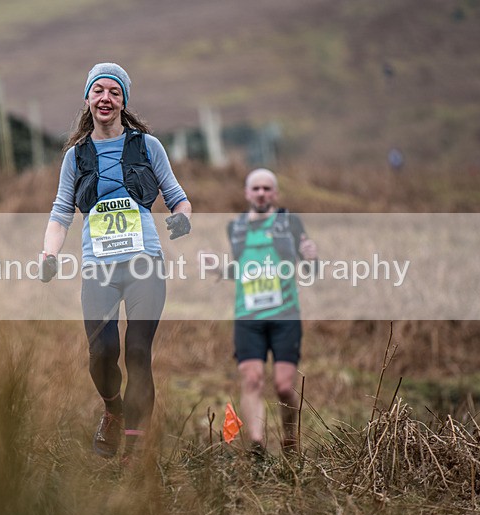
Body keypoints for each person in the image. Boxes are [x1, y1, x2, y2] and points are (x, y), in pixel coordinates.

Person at [40, 62, 192, 461]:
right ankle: (112, 407)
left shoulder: (147, 146)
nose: (105, 98)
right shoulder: (76, 156)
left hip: (145, 262)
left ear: (123, 102)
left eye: (114, 92)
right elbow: (61, 213)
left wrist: (182, 218)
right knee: (102, 353)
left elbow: (178, 196)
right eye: (98, 91)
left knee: (138, 352)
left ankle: (135, 451)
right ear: (88, 98)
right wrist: (50, 253)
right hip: (99, 267)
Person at [204, 168, 317, 455]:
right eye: (256, 188)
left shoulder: (289, 223)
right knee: (252, 379)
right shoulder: (237, 227)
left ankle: (290, 438)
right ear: (246, 193)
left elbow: (310, 267)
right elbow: (244, 267)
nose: (262, 193)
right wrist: (219, 269)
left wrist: (312, 257)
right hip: (248, 317)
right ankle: (257, 446)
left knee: (282, 386)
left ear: (275, 193)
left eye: (267, 188)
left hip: (285, 316)